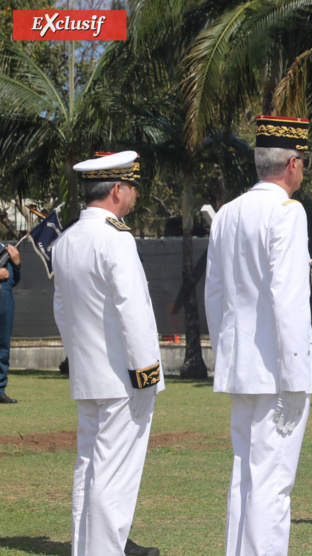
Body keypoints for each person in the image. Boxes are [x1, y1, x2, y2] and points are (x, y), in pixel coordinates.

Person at [205, 115, 312, 556]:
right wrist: (295, 374)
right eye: (302, 162)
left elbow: (215, 294)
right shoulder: (288, 213)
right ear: (291, 163)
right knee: (273, 485)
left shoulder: (227, 214)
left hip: (241, 368)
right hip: (277, 371)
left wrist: (226, 355)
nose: (302, 170)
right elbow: (288, 298)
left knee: (245, 477)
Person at [53, 151, 163, 556]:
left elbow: (62, 312)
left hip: (89, 376)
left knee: (88, 470)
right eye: (132, 187)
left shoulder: (66, 241)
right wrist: (146, 372)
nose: (133, 196)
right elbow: (131, 311)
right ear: (117, 189)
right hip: (123, 379)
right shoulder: (115, 238)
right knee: (113, 479)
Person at [0, 241, 21, 405]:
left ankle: (0, 389)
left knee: (3, 347)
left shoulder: (6, 248)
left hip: (5, 298)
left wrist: (17, 263)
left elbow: (13, 280)